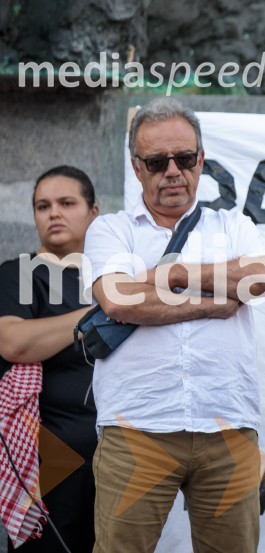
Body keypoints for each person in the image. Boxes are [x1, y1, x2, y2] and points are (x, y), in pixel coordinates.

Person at [84, 97, 265, 553]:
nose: (172, 170)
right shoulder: (111, 229)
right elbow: (118, 299)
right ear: (136, 168)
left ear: (201, 161)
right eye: (156, 161)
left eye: (184, 158)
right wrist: (211, 300)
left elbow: (260, 278)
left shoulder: (233, 223)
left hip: (227, 424)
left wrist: (161, 276)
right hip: (136, 426)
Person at [0, 166, 99, 551]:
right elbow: (13, 342)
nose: (53, 213)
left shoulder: (113, 277)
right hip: (51, 453)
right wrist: (100, 311)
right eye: (43, 206)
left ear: (94, 211)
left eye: (66, 203)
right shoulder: (20, 274)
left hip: (121, 450)